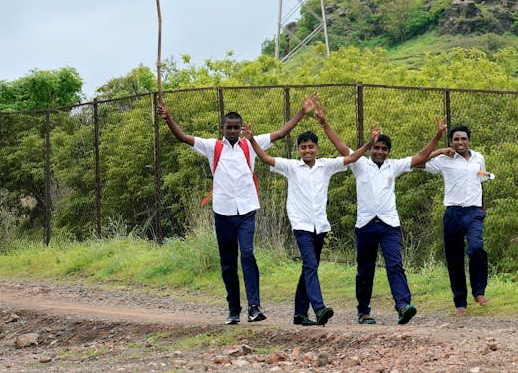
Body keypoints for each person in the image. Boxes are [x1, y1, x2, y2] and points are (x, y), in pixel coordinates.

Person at [157, 94, 317, 325]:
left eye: (236, 127)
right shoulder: (213, 147)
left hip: (247, 210)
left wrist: (302, 112)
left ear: (241, 128)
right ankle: (233, 310)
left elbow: (281, 132)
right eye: (229, 127)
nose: (232, 131)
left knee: (248, 255)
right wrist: (168, 118)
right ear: (222, 128)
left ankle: (254, 306)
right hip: (223, 212)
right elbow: (183, 137)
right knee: (228, 263)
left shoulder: (250, 144)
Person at [316, 106, 447, 325]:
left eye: (384, 149)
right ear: (371, 149)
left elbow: (421, 157)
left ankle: (403, 305)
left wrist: (438, 135)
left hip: (389, 225)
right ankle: (363, 311)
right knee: (365, 270)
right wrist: (324, 123)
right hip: (366, 225)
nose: (379, 152)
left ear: (388, 151)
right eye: (376, 147)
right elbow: (340, 146)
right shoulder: (360, 163)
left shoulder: (393, 167)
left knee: (395, 264)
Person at [246, 121, 380, 326]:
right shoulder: (291, 167)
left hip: (320, 225)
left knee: (310, 267)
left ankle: (300, 313)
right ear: (298, 150)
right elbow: (265, 158)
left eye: (311, 147)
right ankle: (319, 308)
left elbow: (352, 157)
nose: (307, 151)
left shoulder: (326, 165)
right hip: (301, 225)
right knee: (310, 265)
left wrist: (370, 143)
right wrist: (252, 139)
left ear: (317, 148)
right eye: (303, 147)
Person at [415, 124, 491, 316]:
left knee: (476, 248)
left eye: (463, 139)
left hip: (474, 211)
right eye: (456, 139)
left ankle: (479, 292)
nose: (460, 142)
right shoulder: (444, 160)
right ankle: (460, 303)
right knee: (454, 257)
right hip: (453, 213)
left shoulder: (478, 158)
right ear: (451, 142)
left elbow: (481, 178)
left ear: (469, 141)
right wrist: (439, 150)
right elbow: (417, 162)